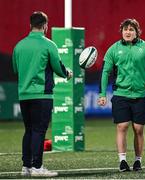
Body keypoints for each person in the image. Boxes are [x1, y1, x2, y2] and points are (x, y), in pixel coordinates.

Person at [98, 18, 145, 172]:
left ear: (136, 32)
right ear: (121, 32)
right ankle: (122, 161)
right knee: (122, 126)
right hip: (121, 94)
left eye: (131, 30)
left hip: (140, 95)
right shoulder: (113, 49)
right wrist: (102, 94)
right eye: (125, 29)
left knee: (139, 129)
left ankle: (138, 161)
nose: (128, 32)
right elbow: (105, 72)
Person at [12, 11, 72, 177]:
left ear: (30, 25)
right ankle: (37, 167)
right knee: (39, 131)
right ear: (45, 26)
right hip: (42, 95)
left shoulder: (19, 46)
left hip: (24, 94)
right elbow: (58, 68)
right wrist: (68, 73)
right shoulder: (48, 45)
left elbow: (15, 69)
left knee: (29, 130)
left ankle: (26, 167)